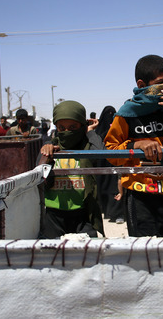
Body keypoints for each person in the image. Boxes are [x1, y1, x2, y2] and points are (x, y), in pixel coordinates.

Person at [104, 54, 163, 237]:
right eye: (162, 83)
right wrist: (136, 144)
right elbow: (111, 153)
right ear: (142, 85)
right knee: (144, 254)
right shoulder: (126, 114)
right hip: (139, 194)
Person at [37, 100, 104, 238]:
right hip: (54, 215)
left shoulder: (87, 147)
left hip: (83, 214)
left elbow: (101, 153)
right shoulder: (50, 148)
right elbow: (39, 175)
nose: (67, 132)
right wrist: (48, 156)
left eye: (73, 127)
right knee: (54, 256)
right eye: (62, 128)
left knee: (87, 254)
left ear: (82, 126)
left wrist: (90, 132)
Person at [95, 105, 124, 223]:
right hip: (112, 163)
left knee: (109, 187)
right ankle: (115, 213)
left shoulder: (99, 132)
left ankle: (109, 212)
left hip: (103, 164)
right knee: (112, 187)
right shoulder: (114, 131)